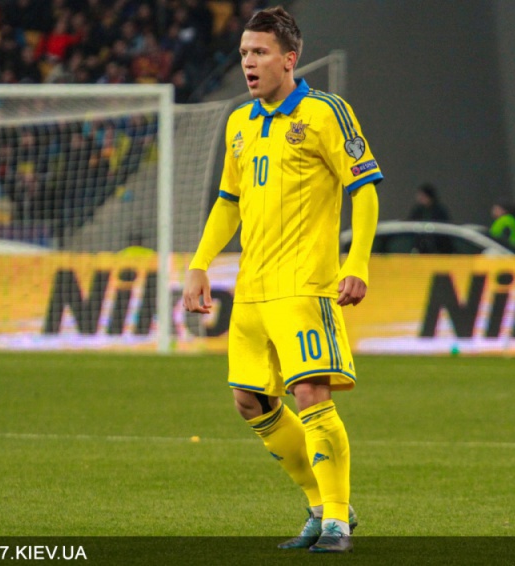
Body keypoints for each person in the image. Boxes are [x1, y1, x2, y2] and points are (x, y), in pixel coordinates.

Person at [182, 6, 382, 553]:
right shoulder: (239, 123)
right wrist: (199, 264)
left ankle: (338, 522)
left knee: (311, 392)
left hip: (304, 284)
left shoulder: (326, 113)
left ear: (289, 59)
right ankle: (321, 508)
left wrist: (357, 262)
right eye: (244, 53)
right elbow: (229, 202)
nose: (248, 63)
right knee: (250, 400)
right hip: (253, 288)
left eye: (260, 52)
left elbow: (364, 189)